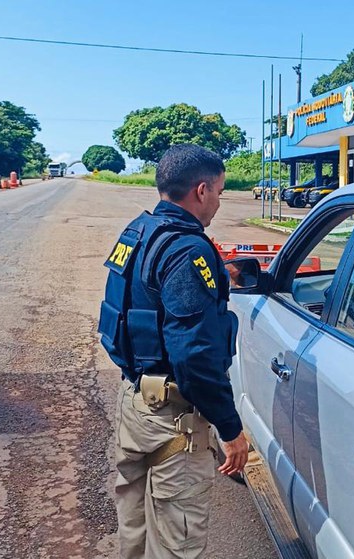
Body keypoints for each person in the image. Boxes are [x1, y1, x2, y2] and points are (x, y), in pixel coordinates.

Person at [98, 143, 249, 558]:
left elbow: (134, 308)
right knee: (177, 543)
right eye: (220, 191)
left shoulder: (138, 231)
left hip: (134, 401)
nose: (219, 201)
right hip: (173, 417)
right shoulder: (187, 249)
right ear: (201, 190)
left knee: (134, 527)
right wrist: (230, 429)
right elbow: (194, 357)